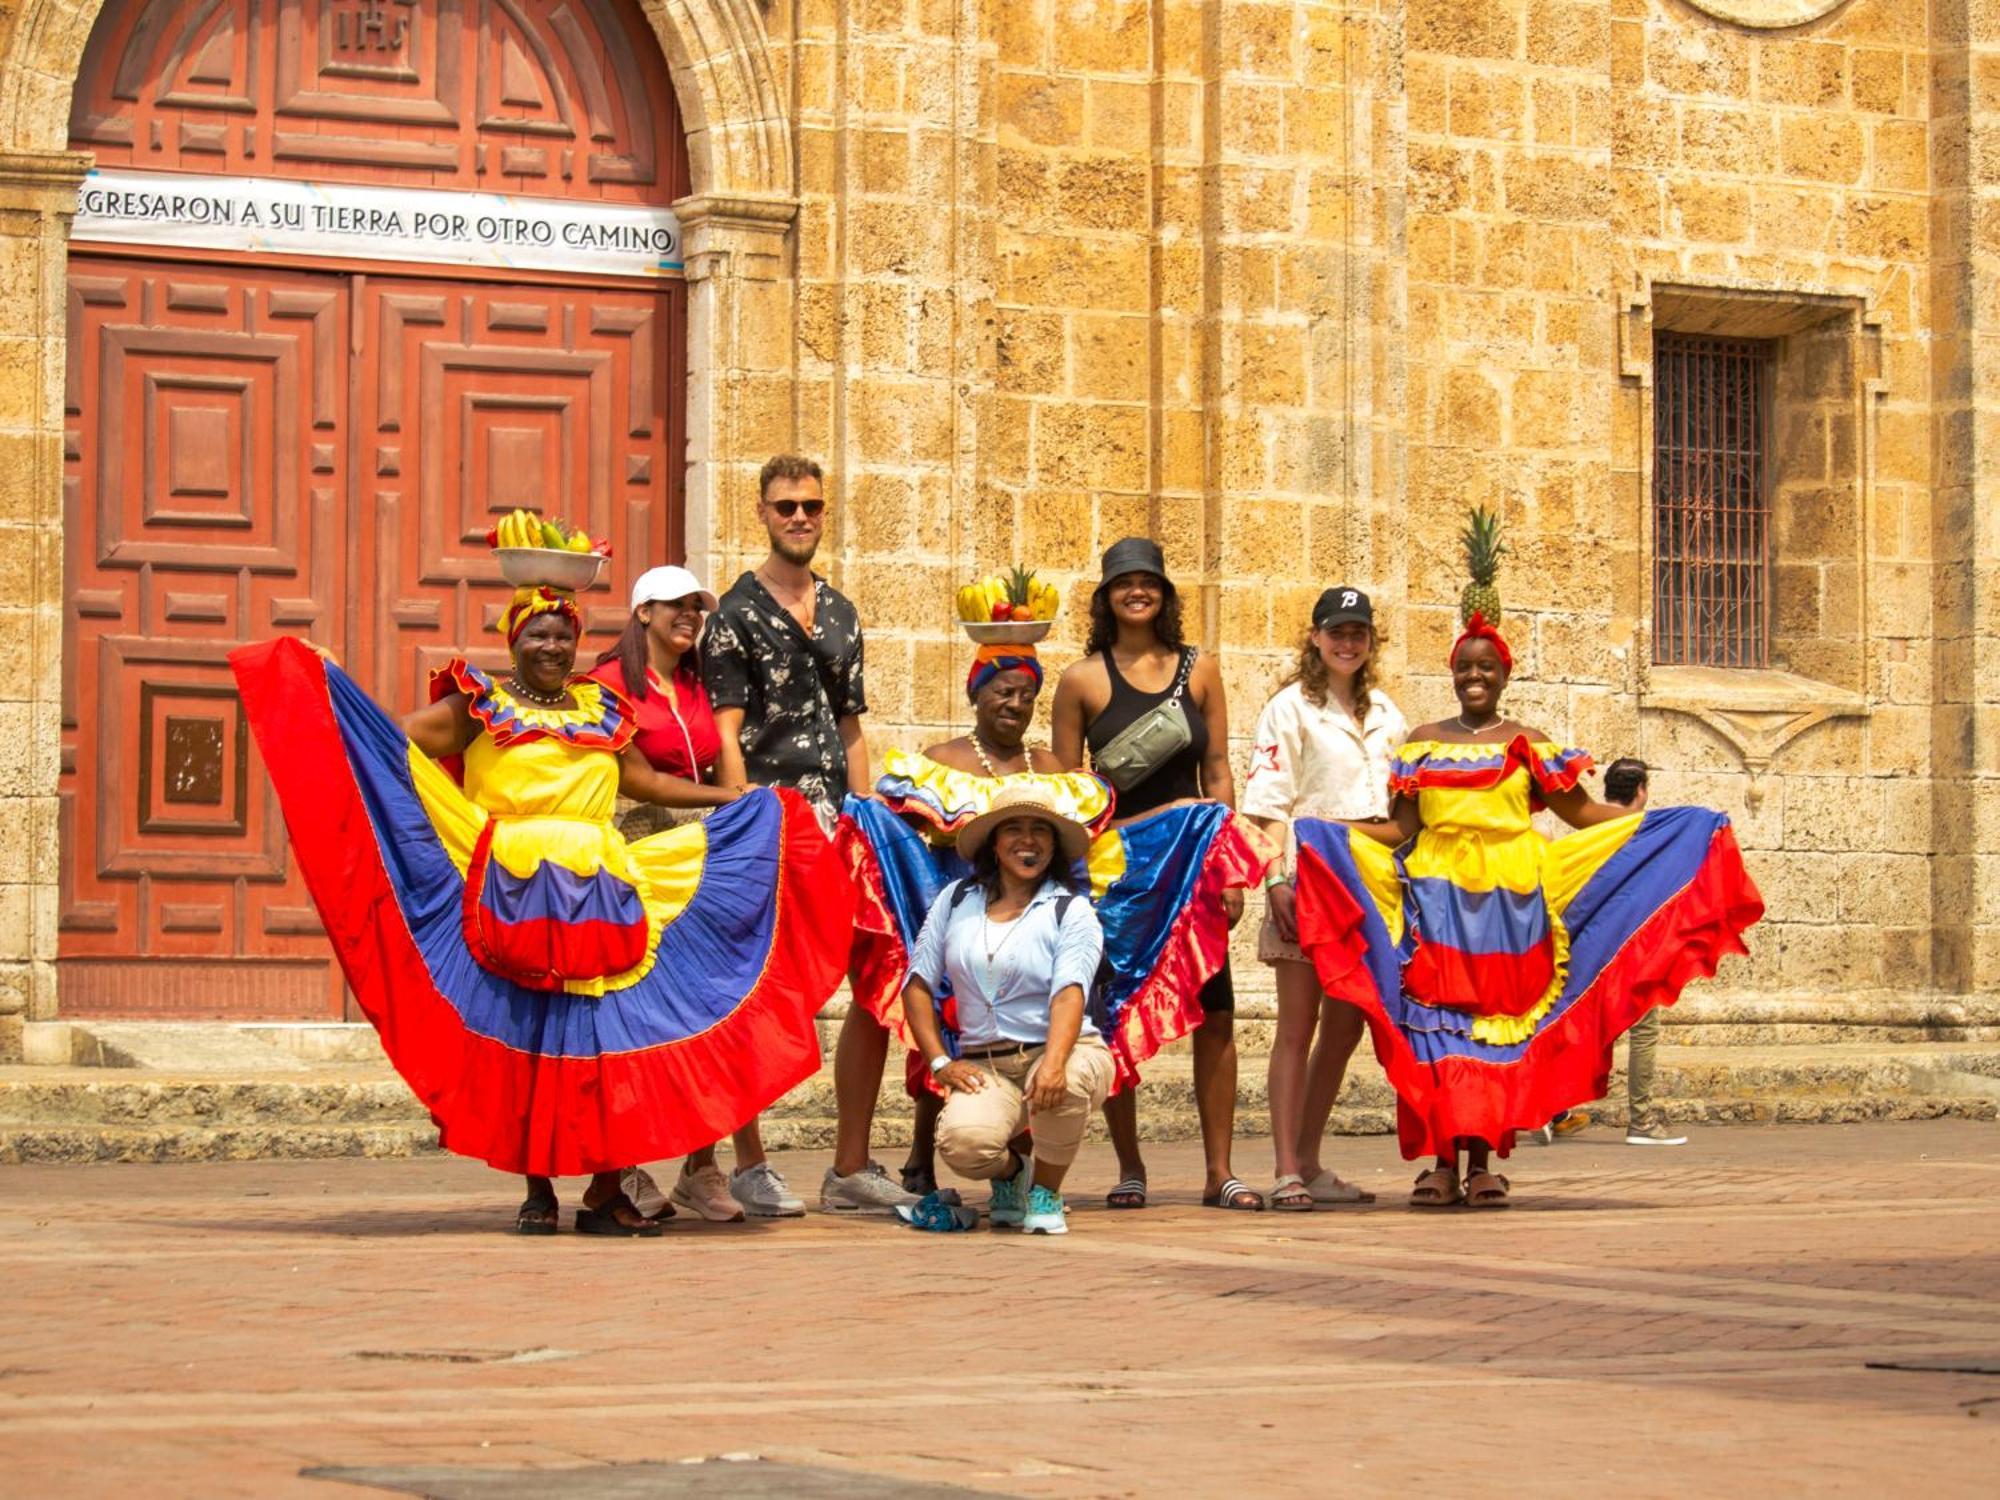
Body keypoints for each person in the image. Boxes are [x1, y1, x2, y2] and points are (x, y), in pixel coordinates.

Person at [229, 576, 852, 1236]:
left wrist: (737, 801)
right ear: (514, 641)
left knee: (609, 1039)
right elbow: (391, 745)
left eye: (564, 635)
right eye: (538, 634)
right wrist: (332, 689)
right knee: (531, 1038)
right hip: (515, 885)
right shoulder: (480, 706)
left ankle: (605, 1191)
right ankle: (537, 1192)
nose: (552, 646)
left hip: (602, 889)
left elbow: (641, 780)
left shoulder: (601, 709)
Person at [1290, 613, 1764, 1208]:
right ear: (1453, 673)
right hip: (1436, 905)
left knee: (1497, 1029)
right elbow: (1400, 827)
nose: (1475, 676)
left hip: (1512, 909)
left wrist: (1661, 824)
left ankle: (1484, 1162)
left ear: (1505, 673)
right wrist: (1329, 831)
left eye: (1487, 666)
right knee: (1436, 1029)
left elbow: (1584, 816)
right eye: (1465, 666)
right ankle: (1440, 1163)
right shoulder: (1422, 742)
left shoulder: (1529, 743)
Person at [838, 640, 1114, 1197]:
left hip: (1035, 916)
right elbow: (909, 838)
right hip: (955, 906)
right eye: (1002, 691)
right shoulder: (943, 760)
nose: (1015, 703)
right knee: (944, 1022)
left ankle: (1022, 1175)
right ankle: (925, 1155)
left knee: (1038, 1021)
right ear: (976, 693)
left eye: (1027, 694)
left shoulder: (1053, 765)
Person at [700, 454, 898, 1215]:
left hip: (839, 826)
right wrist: (737, 806)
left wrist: (867, 809)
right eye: (786, 507)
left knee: (874, 981)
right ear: (762, 512)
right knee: (752, 990)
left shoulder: (843, 612)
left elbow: (850, 725)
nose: (800, 518)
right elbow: (727, 722)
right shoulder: (735, 614)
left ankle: (849, 1166)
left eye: (812, 506)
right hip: (766, 822)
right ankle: (748, 1161)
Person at [1051, 537, 1263, 1213]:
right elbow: (1066, 787)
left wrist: (1230, 869)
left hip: (1194, 869)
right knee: (1116, 1015)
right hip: (1120, 873)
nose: (1136, 592)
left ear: (1165, 594)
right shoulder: (1082, 680)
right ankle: (1130, 1165)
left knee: (1218, 1012)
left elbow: (1218, 770)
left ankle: (1219, 1170)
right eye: (1123, 583)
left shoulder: (1200, 671)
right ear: (1106, 596)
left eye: (1148, 582)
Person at [588, 564, 805, 1221]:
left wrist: (743, 819)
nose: (689, 615)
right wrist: (729, 800)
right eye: (676, 606)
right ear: (643, 613)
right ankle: (621, 1166)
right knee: (635, 1008)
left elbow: (717, 757)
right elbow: (641, 781)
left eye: (696, 607)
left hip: (697, 854)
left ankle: (703, 1164)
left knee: (707, 1002)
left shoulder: (691, 685)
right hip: (634, 850)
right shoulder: (606, 686)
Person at [1241, 586, 1406, 1210]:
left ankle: (1309, 1159)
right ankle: (1285, 1167)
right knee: (1295, 1024)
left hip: (1370, 882)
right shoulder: (1290, 709)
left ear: (1370, 641)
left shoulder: (1388, 713)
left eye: (1358, 632)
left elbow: (1400, 805)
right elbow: (1268, 805)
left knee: (1344, 1028)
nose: (1347, 641)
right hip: (1309, 878)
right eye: (1336, 631)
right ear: (1315, 637)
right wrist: (1276, 880)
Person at [899, 786, 1116, 1235]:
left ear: (1054, 846)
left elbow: (1069, 991)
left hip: (1064, 1050)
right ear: (994, 844)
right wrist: (939, 1061)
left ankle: (1047, 1192)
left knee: (1066, 1083)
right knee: (963, 1144)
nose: (1027, 840)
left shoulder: (1070, 909)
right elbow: (916, 984)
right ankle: (1014, 1175)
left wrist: (1054, 1063)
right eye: (1013, 829)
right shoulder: (956, 901)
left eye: (1040, 830)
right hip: (988, 1063)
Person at [1535, 759, 1689, 1149]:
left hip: (1582, 944)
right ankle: (1641, 1119)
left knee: (1568, 1020)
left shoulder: (1588, 834)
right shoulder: (1645, 833)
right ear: (1641, 791)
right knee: (1644, 1029)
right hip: (1631, 947)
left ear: (1607, 791)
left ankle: (1547, 1110)